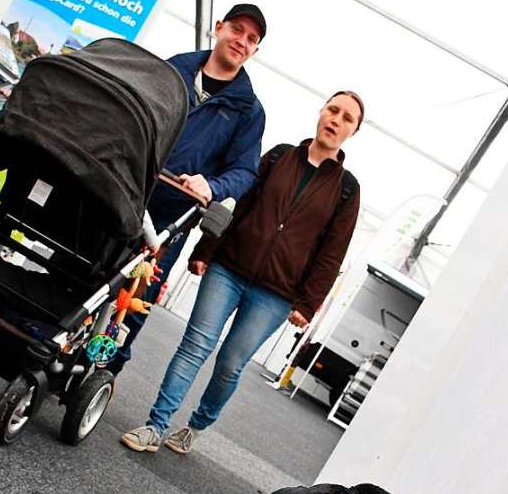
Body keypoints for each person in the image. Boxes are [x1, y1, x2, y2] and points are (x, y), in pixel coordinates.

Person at [120, 89, 364, 455]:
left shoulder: (346, 189)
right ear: (321, 111)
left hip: (278, 295)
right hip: (229, 268)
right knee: (194, 346)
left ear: (353, 132)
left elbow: (332, 252)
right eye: (333, 110)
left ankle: (197, 425)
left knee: (230, 364)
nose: (336, 120)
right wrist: (206, 250)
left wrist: (308, 303)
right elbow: (241, 205)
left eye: (347, 118)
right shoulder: (280, 155)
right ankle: (156, 425)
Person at [107, 3, 266, 375]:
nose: (241, 41)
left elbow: (245, 171)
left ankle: (105, 368)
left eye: (251, 39)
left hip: (168, 219)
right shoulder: (171, 70)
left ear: (255, 51)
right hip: (125, 192)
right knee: (89, 269)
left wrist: (211, 185)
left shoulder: (249, 111)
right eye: (237, 30)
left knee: (135, 296)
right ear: (218, 28)